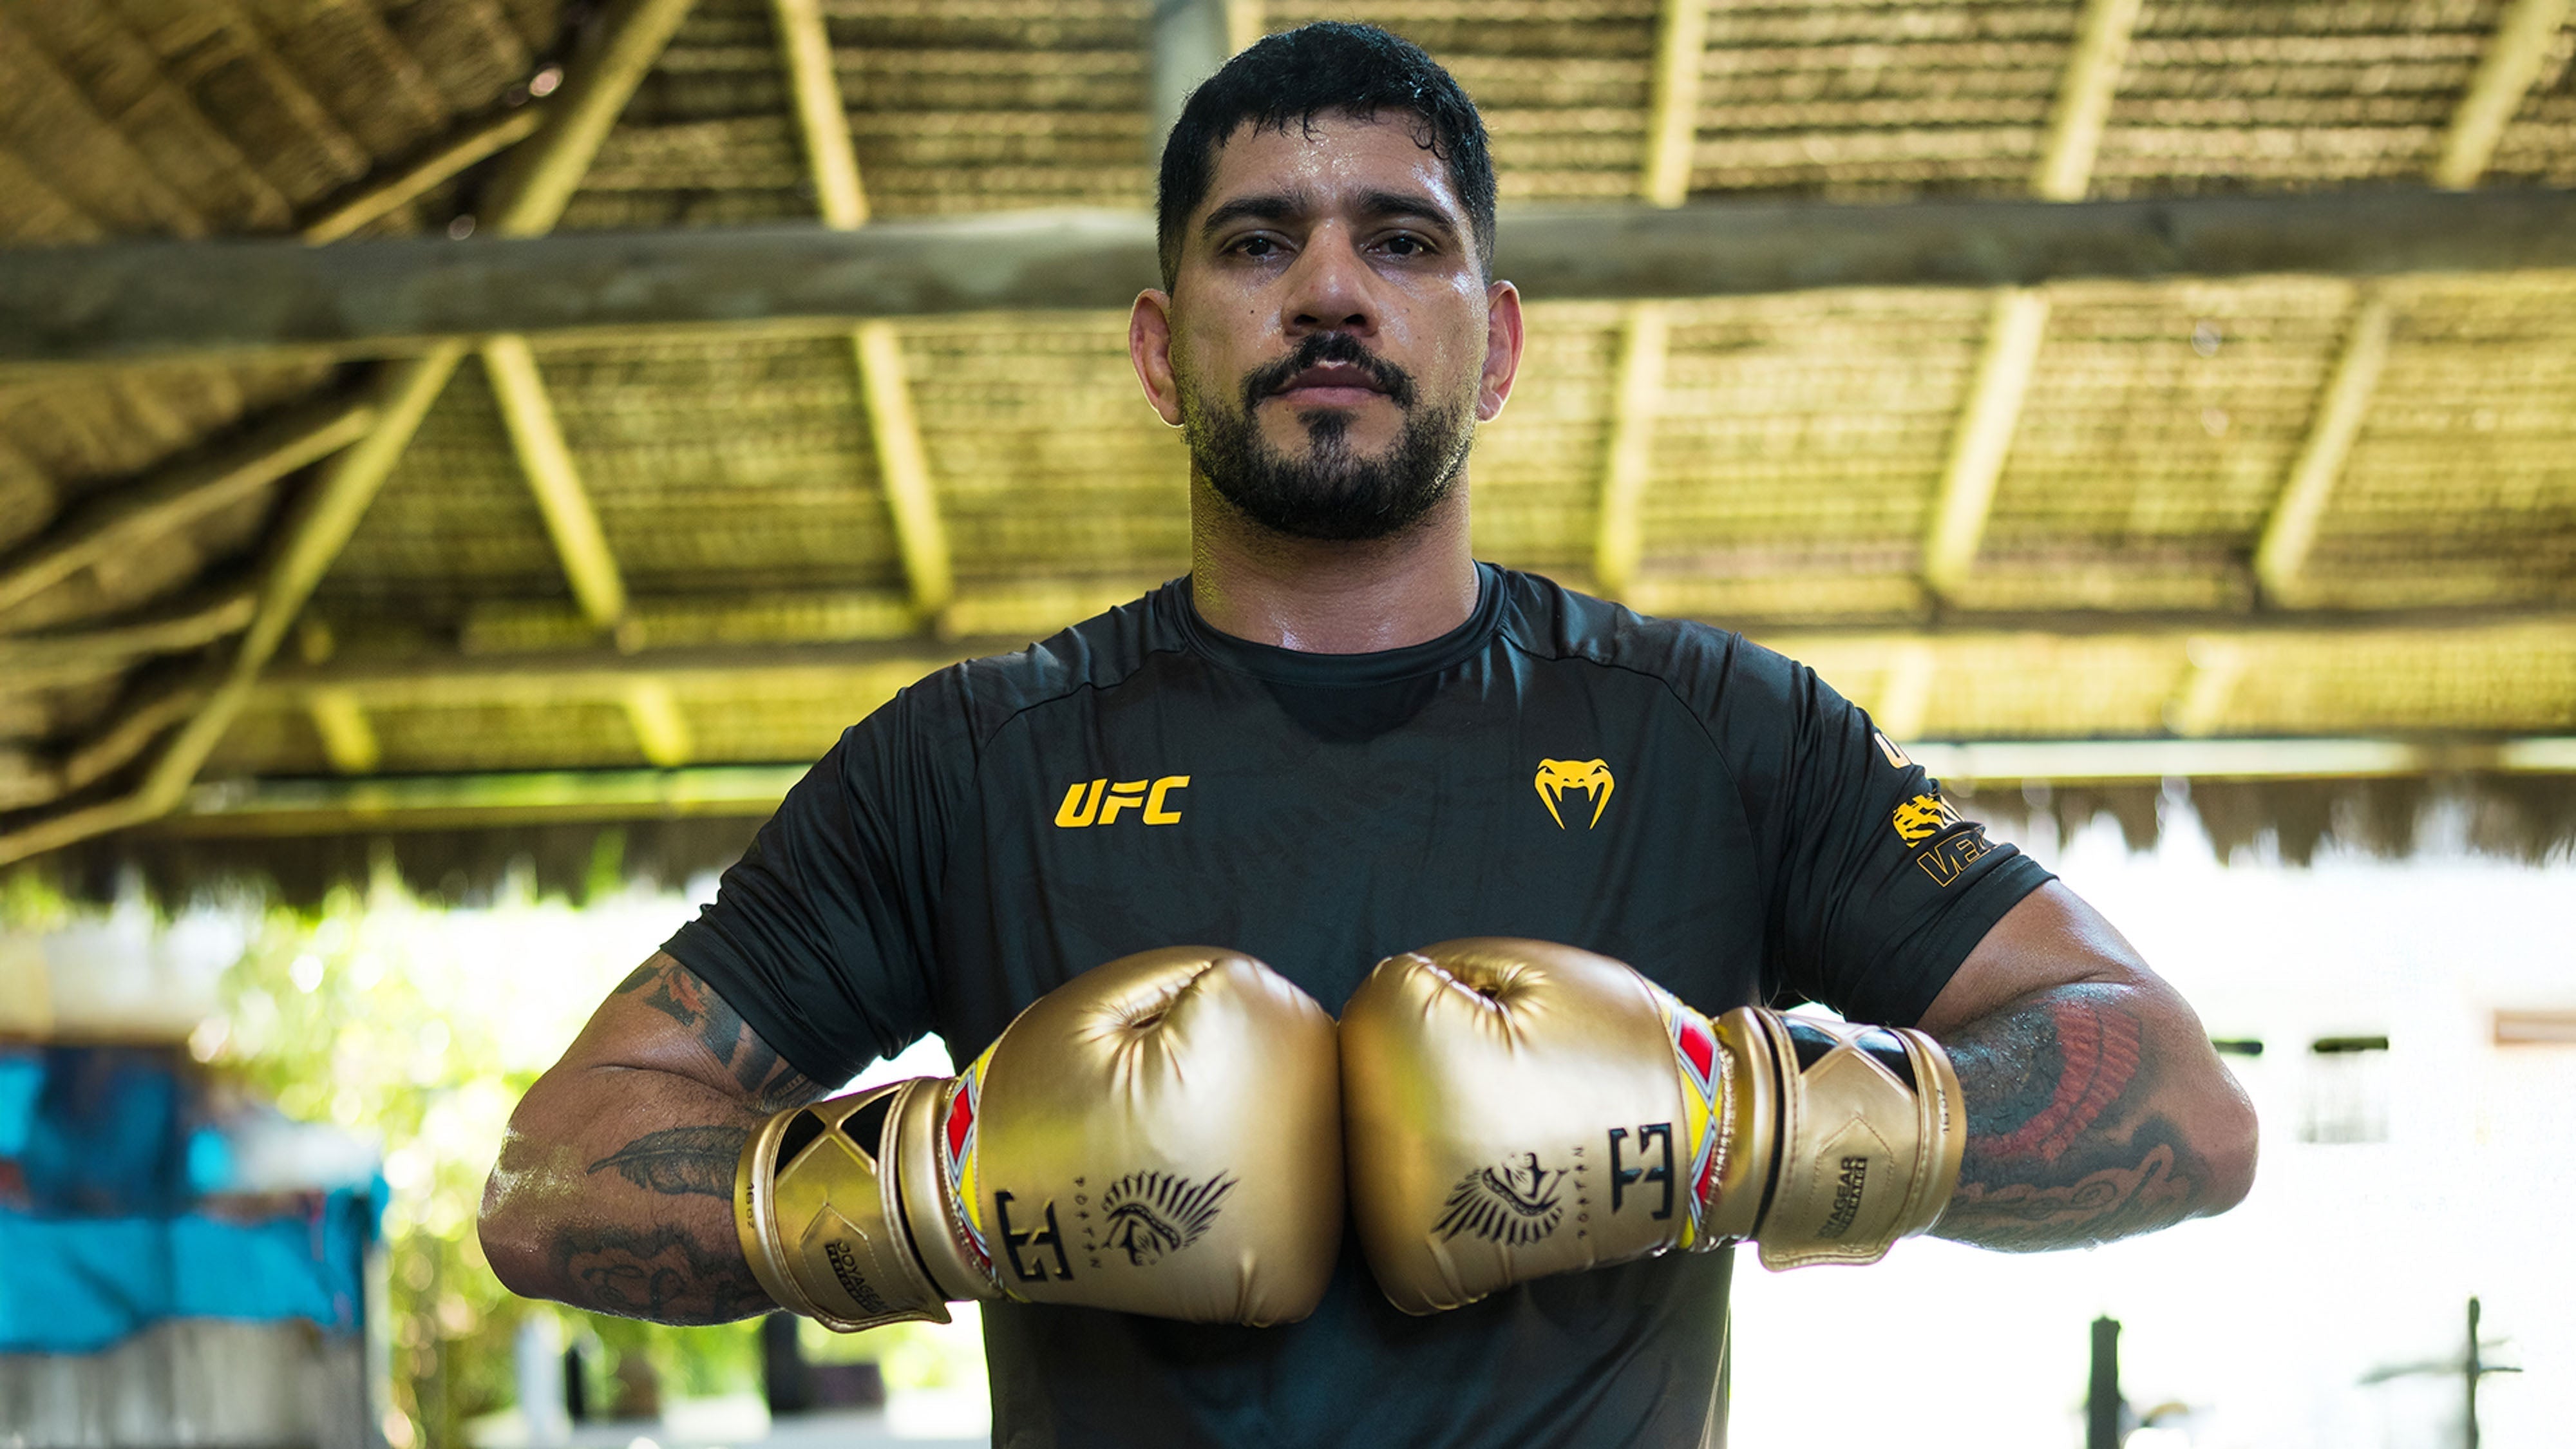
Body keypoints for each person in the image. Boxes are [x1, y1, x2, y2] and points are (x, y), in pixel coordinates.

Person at [480, 23, 2258, 1446]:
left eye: (1400, 242)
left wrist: (1729, 1125)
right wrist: (944, 1184)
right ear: (1165, 352)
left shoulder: (1722, 733)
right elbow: (550, 1183)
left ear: (1491, 345)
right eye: (1260, 243)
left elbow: (2179, 1098)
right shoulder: (965, 761)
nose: (1330, 289)